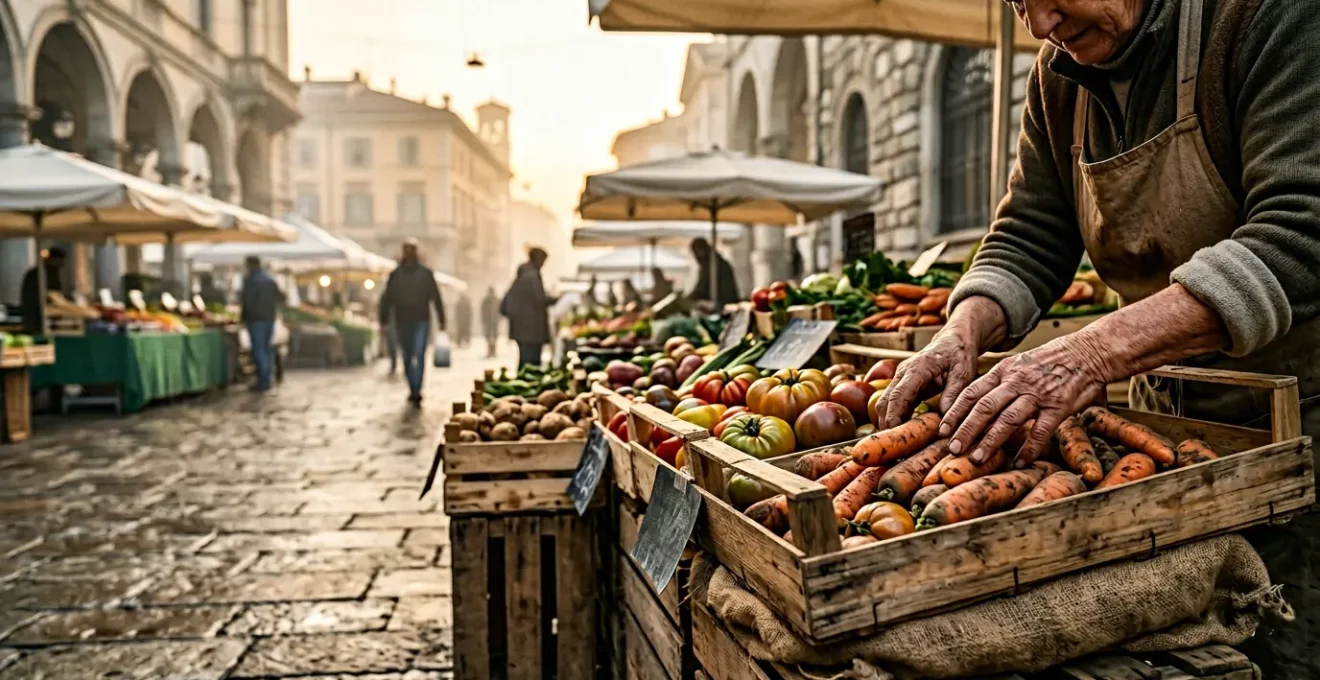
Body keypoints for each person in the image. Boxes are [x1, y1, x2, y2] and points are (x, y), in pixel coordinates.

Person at [879, 0, 1320, 675]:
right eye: (1019, 2)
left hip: (1308, 420)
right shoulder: (1060, 77)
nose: (1040, 24)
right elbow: (1028, 236)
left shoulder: (1269, 17)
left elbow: (1301, 233)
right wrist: (961, 331)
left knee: (1293, 641)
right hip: (1168, 437)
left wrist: (1090, 350)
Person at [378, 239, 447, 406]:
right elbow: (387, 298)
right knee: (411, 355)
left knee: (415, 354)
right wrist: (384, 318)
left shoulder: (421, 274)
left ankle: (416, 389)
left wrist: (384, 318)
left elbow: (435, 298)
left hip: (416, 320)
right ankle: (414, 388)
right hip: (408, 320)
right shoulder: (399, 274)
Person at [501, 248, 555, 368]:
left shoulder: (525, 275)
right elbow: (539, 299)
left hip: (523, 329)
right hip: (531, 329)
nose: (543, 264)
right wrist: (555, 299)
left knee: (525, 361)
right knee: (530, 363)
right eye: (543, 261)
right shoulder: (531, 276)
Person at [239, 256, 284, 392]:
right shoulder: (270, 279)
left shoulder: (250, 281)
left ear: (250, 265)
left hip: (256, 320)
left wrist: (243, 319)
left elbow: (246, 302)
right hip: (269, 318)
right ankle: (267, 379)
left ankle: (263, 382)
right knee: (267, 349)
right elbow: (282, 297)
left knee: (259, 350)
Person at [19, 246, 67, 334]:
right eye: (60, 261)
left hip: (36, 316)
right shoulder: (43, 274)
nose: (62, 264)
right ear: (53, 260)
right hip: (37, 317)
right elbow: (53, 295)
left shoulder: (42, 273)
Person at [688, 237, 740, 309]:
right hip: (724, 304)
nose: (696, 256)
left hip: (722, 306)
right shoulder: (714, 263)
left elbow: (702, 287)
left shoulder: (712, 265)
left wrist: (688, 299)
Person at [481, 286, 500, 359]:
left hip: (492, 321)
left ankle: (492, 351)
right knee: (491, 336)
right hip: (491, 321)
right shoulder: (495, 299)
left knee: (491, 336)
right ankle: (491, 351)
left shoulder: (492, 300)